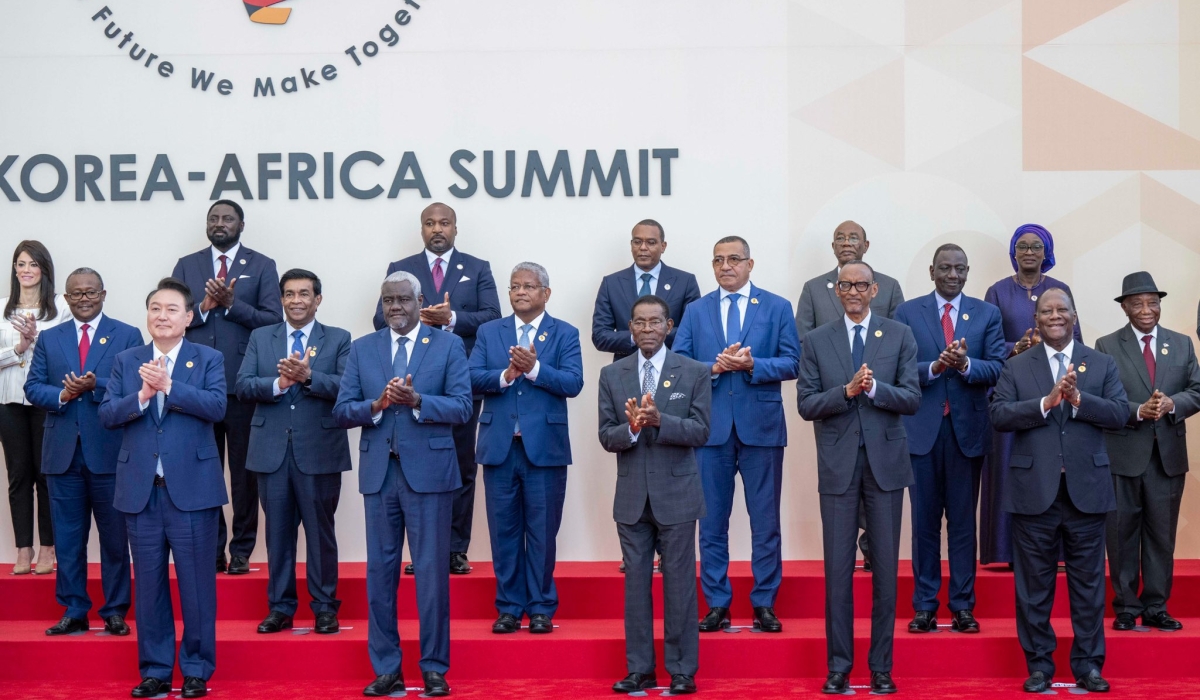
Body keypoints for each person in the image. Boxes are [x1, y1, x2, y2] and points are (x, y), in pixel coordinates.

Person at [337, 271, 472, 697]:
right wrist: (375, 406)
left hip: (429, 476)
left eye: (403, 300)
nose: (395, 307)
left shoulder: (449, 345)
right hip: (379, 476)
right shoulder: (363, 349)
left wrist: (418, 402)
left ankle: (434, 667)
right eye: (388, 300)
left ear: (420, 301)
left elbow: (463, 407)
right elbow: (342, 411)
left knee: (431, 574)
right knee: (380, 575)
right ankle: (386, 668)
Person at [990, 288, 1126, 693]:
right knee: (1033, 589)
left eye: (1061, 309)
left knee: (1088, 587)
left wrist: (1080, 399)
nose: (1055, 315)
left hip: (1087, 491)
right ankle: (1039, 667)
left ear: (1074, 315)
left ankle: (1088, 666)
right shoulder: (1016, 367)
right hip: (1034, 492)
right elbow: (998, 414)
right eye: (1046, 310)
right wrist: (1046, 403)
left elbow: (1119, 413)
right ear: (1036, 318)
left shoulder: (1100, 362)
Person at [99, 278, 228, 699]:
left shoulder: (207, 358)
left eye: (172, 309)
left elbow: (216, 407)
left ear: (189, 317)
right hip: (141, 492)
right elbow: (108, 415)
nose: (162, 315)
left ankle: (195, 669)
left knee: (196, 586)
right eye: (155, 308)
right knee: (149, 586)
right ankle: (155, 670)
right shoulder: (126, 360)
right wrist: (141, 394)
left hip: (191, 491)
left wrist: (170, 387)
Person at [797, 260, 921, 695]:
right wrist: (846, 392)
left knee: (886, 572)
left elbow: (911, 398)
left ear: (874, 290)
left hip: (886, 467)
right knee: (838, 572)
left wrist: (873, 390)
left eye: (861, 285)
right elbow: (806, 404)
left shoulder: (900, 334)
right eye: (846, 284)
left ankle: (881, 668)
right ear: (835, 290)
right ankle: (839, 667)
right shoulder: (815, 340)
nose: (853, 291)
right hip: (837, 467)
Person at [672, 236, 800, 634]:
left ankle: (764, 603)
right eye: (718, 260)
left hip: (761, 429)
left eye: (733, 259)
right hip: (710, 430)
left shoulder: (777, 306)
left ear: (750, 264)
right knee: (711, 524)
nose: (725, 266)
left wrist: (751, 364)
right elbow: (678, 362)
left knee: (765, 521)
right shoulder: (695, 310)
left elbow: (793, 361)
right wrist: (713, 367)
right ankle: (717, 604)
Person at [373, 202, 501, 576]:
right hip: (412, 380)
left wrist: (453, 319)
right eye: (429, 223)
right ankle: (424, 549)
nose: (437, 229)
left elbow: (492, 316)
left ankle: (456, 548)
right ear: (422, 229)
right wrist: (416, 317)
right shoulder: (403, 269)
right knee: (418, 467)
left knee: (461, 465)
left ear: (456, 228)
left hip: (459, 380)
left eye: (444, 222)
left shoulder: (477, 268)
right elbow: (380, 315)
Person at [598, 295, 711, 696]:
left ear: (669, 326)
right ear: (630, 327)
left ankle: (682, 670)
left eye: (654, 322)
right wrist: (630, 428)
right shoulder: (613, 376)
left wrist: (661, 421)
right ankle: (640, 670)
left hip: (677, 495)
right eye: (639, 323)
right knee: (635, 587)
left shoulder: (694, 371)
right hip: (631, 498)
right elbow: (605, 435)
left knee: (679, 585)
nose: (647, 329)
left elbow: (701, 431)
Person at [893, 245, 1006, 634]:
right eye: (945, 268)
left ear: (968, 271)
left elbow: (998, 367)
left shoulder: (988, 314)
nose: (953, 275)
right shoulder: (907, 312)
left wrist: (967, 365)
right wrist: (937, 366)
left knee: (961, 524)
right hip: (921, 432)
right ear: (931, 271)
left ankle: (962, 606)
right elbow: (899, 367)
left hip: (967, 434)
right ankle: (924, 605)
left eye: (960, 268)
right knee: (924, 523)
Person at [24, 268, 143, 637]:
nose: (84, 299)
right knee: (68, 538)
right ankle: (74, 609)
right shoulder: (49, 338)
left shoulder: (127, 335)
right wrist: (63, 394)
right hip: (62, 455)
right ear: (66, 297)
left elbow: (136, 387)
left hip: (110, 454)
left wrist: (95, 385)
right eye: (76, 294)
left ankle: (115, 610)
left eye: (90, 293)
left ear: (103, 294)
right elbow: (33, 388)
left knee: (113, 538)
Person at [234, 269, 353, 635]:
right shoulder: (260, 336)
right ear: (281, 299)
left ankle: (324, 607)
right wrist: (278, 382)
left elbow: (348, 386)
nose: (296, 300)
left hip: (319, 450)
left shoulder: (338, 338)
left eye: (304, 294)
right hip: (271, 451)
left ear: (318, 299)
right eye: (289, 294)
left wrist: (308, 377)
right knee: (278, 534)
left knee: (320, 533)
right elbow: (242, 385)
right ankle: (281, 607)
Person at [470, 263, 584, 634]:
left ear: (546, 293)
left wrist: (534, 369)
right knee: (503, 532)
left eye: (529, 286)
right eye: (515, 286)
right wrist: (506, 375)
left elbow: (573, 382)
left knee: (541, 531)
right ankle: (508, 607)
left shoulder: (565, 333)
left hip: (545, 450)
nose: (520, 292)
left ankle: (540, 607)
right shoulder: (489, 332)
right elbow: (470, 378)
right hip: (499, 447)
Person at [172, 200, 283, 574]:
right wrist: (202, 307)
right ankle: (212, 547)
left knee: (243, 474)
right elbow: (171, 319)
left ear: (241, 224)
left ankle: (241, 549)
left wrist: (233, 305)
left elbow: (273, 320)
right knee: (203, 470)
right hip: (195, 385)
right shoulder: (187, 265)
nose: (220, 224)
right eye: (214, 218)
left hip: (241, 385)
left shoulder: (262, 265)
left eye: (228, 219)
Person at [796, 220, 904, 572]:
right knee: (842, 480)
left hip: (878, 412)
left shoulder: (889, 287)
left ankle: (872, 547)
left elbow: (898, 345)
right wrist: (844, 385)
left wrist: (872, 383)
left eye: (853, 237)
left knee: (878, 486)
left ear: (866, 245)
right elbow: (805, 345)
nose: (846, 242)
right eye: (839, 237)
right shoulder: (814, 289)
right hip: (834, 412)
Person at [1096, 272, 1200, 632]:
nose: (1146, 309)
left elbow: (1197, 390)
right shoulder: (1106, 345)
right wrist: (1138, 410)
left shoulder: (1182, 344)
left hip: (1167, 457)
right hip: (1123, 454)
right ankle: (1126, 605)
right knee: (1122, 532)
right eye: (1137, 303)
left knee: (1161, 534)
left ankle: (1156, 605)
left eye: (1153, 302)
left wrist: (1173, 404)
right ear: (1124, 307)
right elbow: (1103, 400)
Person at [980, 224, 1082, 566]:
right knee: (1010, 469)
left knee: (1054, 467)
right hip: (1012, 390)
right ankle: (1005, 550)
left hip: (1056, 390)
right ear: (1014, 252)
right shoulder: (997, 291)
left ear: (1046, 252)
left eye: (1035, 246)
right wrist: (1018, 347)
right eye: (1021, 246)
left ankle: (1057, 551)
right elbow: (986, 344)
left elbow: (1075, 339)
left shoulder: (1060, 289)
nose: (1028, 252)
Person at [0, 240, 72, 575]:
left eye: (32, 264)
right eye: (20, 264)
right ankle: (23, 549)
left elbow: (67, 351)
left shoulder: (61, 308)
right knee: (18, 476)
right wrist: (19, 348)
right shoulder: (2, 308)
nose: (26, 270)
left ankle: (48, 548)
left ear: (44, 268)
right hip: (9, 401)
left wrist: (37, 341)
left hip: (46, 400)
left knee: (47, 475)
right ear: (14, 269)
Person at [591, 219, 702, 362]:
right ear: (631, 245)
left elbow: (692, 331)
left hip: (673, 368)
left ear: (663, 246)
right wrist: (635, 337)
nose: (643, 247)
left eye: (651, 242)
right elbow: (600, 336)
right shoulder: (611, 283)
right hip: (625, 372)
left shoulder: (685, 282)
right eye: (637, 242)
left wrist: (655, 335)